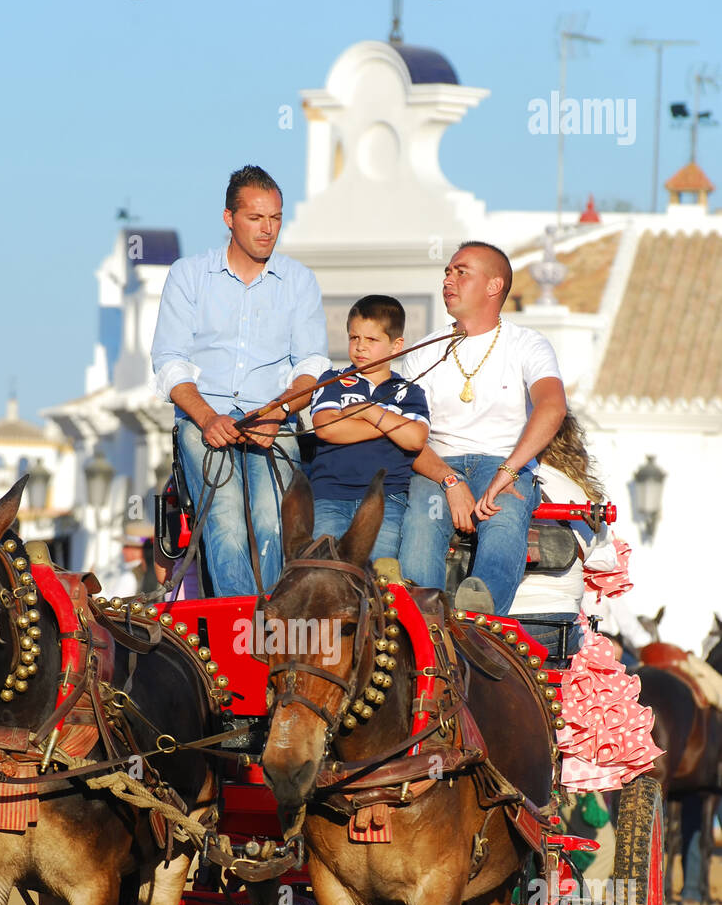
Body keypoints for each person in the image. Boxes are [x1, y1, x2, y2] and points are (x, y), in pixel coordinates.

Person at [151, 164, 329, 597]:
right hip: (202, 418)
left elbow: (312, 365)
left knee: (272, 523)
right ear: (229, 218)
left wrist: (280, 411)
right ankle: (242, 627)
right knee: (225, 518)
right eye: (256, 218)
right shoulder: (188, 275)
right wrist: (208, 418)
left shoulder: (300, 282)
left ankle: (267, 622)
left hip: (273, 419)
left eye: (276, 218)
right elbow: (170, 361)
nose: (268, 229)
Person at [397, 241, 566, 614]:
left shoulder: (528, 344)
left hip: (504, 463)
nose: (448, 280)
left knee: (505, 517)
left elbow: (552, 406)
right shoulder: (423, 350)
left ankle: (479, 620)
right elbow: (405, 433)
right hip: (437, 466)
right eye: (447, 271)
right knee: (423, 522)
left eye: (461, 271)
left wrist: (510, 470)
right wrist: (449, 480)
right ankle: (424, 625)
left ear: (494, 286)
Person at [308, 296, 430, 559]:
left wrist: (369, 410)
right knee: (325, 572)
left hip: (385, 499)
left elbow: (416, 439)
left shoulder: (409, 392)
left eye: (371, 340)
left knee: (375, 579)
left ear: (396, 346)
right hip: (330, 496)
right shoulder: (333, 380)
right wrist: (393, 424)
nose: (360, 347)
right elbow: (327, 429)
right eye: (354, 338)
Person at [510, 410, 617, 666]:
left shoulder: (500, 482)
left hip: (501, 618)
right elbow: (606, 561)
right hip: (557, 624)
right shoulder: (581, 495)